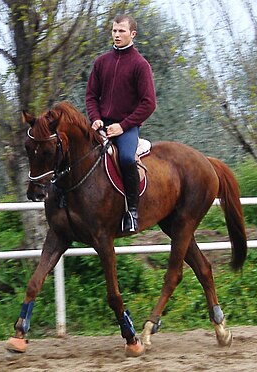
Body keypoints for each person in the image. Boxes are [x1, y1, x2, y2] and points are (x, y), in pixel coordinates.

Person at [86, 14, 156, 234]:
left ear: (132, 34)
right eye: (114, 31)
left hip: (127, 127)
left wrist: (123, 126)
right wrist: (95, 118)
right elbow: (91, 95)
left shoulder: (140, 65)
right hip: (101, 125)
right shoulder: (101, 62)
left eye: (121, 31)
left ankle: (132, 212)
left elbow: (149, 103)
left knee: (126, 158)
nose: (116, 35)